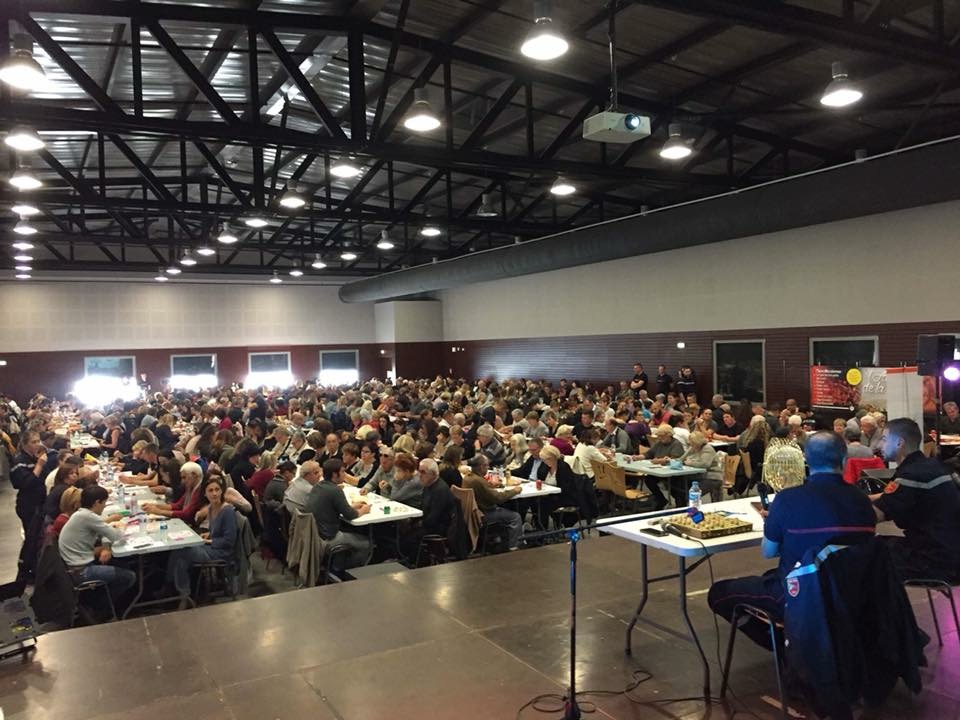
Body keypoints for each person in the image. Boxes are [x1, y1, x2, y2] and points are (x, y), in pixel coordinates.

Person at [707, 432, 877, 648]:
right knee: (769, 576)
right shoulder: (862, 502)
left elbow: (768, 552)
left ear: (806, 459)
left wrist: (777, 523)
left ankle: (782, 646)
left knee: (719, 593)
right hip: (854, 592)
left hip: (798, 593)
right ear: (844, 461)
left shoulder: (787, 499)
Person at [872, 418, 960, 582]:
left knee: (864, 553)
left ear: (899, 443)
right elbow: (892, 495)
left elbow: (875, 515)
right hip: (951, 553)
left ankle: (889, 608)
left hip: (935, 562)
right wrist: (865, 497)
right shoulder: (934, 467)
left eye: (884, 439)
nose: (878, 445)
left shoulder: (911, 475)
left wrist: (839, 509)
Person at [58, 485, 137, 607]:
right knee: (129, 576)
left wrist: (106, 544)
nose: (104, 506)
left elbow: (103, 534)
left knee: (122, 563)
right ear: (97, 503)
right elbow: (116, 536)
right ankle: (103, 607)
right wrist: (119, 529)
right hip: (81, 571)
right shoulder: (88, 517)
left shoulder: (81, 514)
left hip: (75, 565)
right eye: (104, 503)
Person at [166, 476, 237, 609]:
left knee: (183, 549)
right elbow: (216, 531)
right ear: (205, 493)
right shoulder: (211, 508)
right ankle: (183, 594)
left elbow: (229, 540)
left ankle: (172, 587)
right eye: (210, 490)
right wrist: (209, 534)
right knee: (180, 555)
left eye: (217, 489)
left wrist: (210, 540)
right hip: (210, 546)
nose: (214, 493)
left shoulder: (227, 511)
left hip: (220, 552)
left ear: (222, 491)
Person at [303, 459, 371, 568]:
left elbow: (336, 507)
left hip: (315, 534)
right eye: (343, 472)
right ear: (335, 474)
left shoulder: (318, 486)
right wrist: (364, 510)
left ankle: (336, 566)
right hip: (328, 537)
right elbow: (351, 515)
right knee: (366, 544)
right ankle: (347, 572)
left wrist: (352, 507)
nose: (345, 475)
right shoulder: (335, 490)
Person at [461, 454, 523, 550]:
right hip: (485, 513)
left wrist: (490, 486)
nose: (488, 467)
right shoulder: (479, 481)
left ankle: (501, 539)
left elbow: (484, 490)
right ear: (481, 466)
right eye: (486, 465)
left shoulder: (468, 478)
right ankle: (514, 546)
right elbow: (497, 498)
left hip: (474, 512)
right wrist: (514, 491)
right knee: (515, 517)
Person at [11, 430, 48, 579]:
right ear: (25, 444)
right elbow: (24, 484)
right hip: (28, 506)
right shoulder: (19, 460)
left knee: (38, 537)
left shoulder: (34, 457)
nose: (38, 444)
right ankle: (30, 571)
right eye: (33, 442)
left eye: (38, 440)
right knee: (32, 539)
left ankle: (36, 566)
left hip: (39, 504)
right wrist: (39, 466)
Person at [141, 461, 205, 525]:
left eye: (184, 477)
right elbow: (178, 505)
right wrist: (155, 506)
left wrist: (159, 511)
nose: (183, 481)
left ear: (194, 475)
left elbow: (186, 514)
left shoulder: (199, 491)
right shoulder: (190, 487)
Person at [641, 424, 685, 510]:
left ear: (669, 435)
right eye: (659, 436)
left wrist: (661, 461)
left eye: (662, 436)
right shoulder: (659, 443)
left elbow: (675, 459)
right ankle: (660, 499)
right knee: (649, 479)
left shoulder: (676, 444)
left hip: (673, 472)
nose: (660, 438)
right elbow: (649, 453)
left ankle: (680, 505)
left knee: (675, 487)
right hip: (660, 471)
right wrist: (640, 457)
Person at [680, 432, 721, 503]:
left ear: (698, 442)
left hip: (711, 477)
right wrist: (671, 461)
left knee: (691, 494)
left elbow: (705, 464)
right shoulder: (693, 447)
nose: (691, 444)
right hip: (697, 475)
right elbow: (682, 459)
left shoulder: (707, 449)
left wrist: (691, 463)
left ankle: (691, 507)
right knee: (679, 486)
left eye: (693, 442)